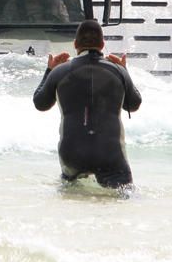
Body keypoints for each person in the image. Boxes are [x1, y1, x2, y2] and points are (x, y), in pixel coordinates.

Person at [32, 19, 142, 189]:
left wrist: (49, 71)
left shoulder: (60, 71)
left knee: (71, 200)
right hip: (110, 154)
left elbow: (41, 103)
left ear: (75, 44)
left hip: (72, 154)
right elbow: (133, 105)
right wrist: (124, 70)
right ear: (102, 44)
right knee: (125, 199)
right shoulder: (118, 71)